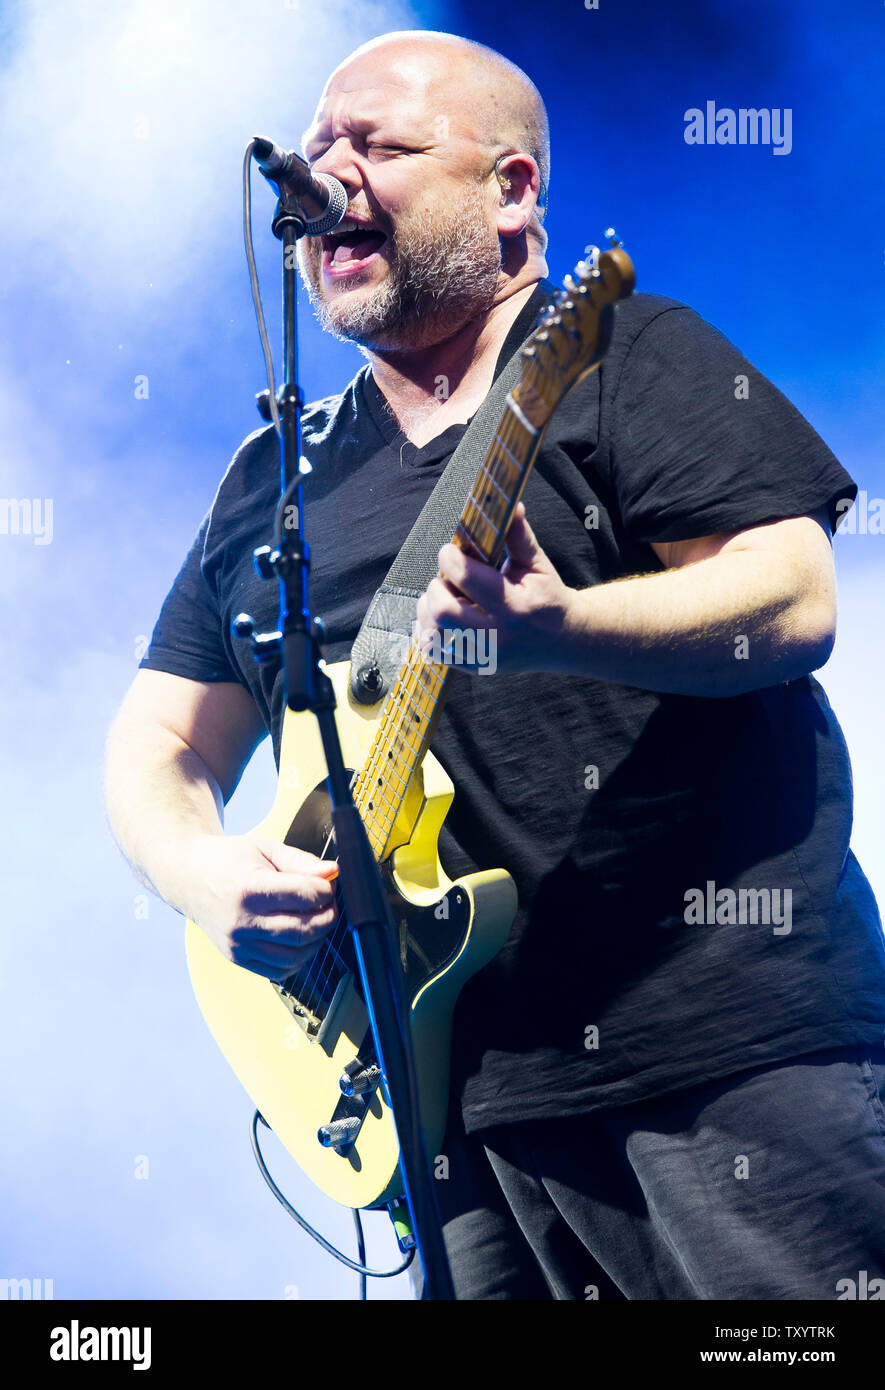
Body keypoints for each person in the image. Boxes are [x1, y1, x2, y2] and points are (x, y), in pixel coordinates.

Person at [104, 30, 885, 1300]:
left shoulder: (626, 355)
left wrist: (561, 627)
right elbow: (161, 743)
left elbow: (793, 599)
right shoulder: (277, 481)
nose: (332, 176)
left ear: (513, 191)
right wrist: (198, 869)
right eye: (319, 151)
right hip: (445, 1103)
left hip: (727, 1057)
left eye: (385, 147)